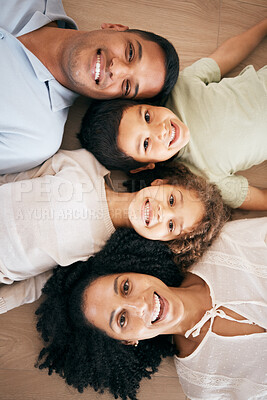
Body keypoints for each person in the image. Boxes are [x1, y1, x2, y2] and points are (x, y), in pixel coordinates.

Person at [35, 217, 267, 400]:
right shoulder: (202, 385)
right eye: (122, 320)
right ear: (128, 341)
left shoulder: (229, 244)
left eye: (126, 287)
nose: (140, 305)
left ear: (134, 269)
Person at [0, 150, 228, 313]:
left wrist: (5, 301)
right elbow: (21, 176)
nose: (162, 213)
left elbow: (43, 281)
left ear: (164, 241)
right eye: (171, 200)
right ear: (159, 182)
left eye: (171, 226)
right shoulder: (86, 166)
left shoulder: (102, 254)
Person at [79, 18, 267, 210]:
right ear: (145, 166)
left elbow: (228, 54)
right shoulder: (201, 178)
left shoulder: (181, 86)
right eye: (146, 144)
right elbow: (259, 198)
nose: (160, 130)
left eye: (147, 117)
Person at [0, 0, 179, 174]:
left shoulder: (35, 139)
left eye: (126, 86)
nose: (116, 69)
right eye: (130, 52)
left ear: (114, 99)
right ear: (114, 28)